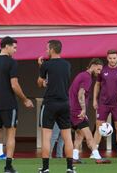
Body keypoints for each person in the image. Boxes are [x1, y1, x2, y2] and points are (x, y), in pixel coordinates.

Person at [0, 36, 34, 173]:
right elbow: (14, 85)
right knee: (11, 134)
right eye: (14, 48)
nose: (15, 51)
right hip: (9, 104)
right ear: (7, 46)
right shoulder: (12, 63)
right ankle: (8, 167)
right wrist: (25, 99)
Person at [37, 40, 75, 173]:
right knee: (67, 137)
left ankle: (46, 168)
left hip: (50, 103)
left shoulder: (45, 65)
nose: (46, 50)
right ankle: (70, 168)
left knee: (46, 136)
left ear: (52, 49)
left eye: (47, 48)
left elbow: (40, 83)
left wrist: (41, 66)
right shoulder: (67, 65)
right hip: (64, 103)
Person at [70, 58, 110, 164]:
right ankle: (98, 158)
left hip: (71, 110)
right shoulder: (87, 77)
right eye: (98, 69)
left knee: (79, 135)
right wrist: (83, 110)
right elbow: (80, 94)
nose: (99, 72)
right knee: (89, 136)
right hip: (76, 111)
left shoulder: (81, 75)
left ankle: (74, 157)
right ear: (93, 65)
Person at [93, 50, 117, 159]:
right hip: (103, 103)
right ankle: (94, 152)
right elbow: (97, 85)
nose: (112, 60)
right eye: (110, 58)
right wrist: (95, 100)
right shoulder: (102, 70)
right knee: (98, 127)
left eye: (114, 58)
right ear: (107, 58)